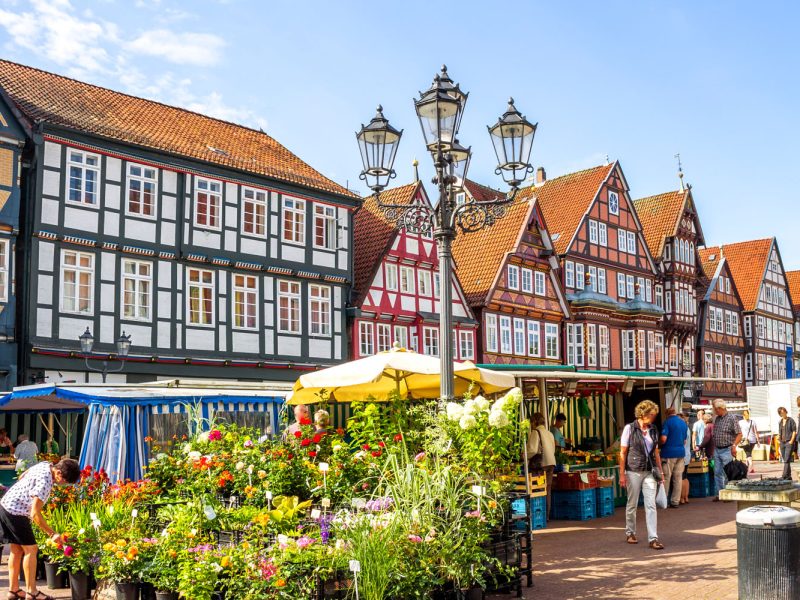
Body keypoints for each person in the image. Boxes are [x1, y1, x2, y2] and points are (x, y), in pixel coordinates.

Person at [0, 458, 81, 600]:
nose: (63, 485)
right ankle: (32, 592)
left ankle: (13, 591)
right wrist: (52, 534)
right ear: (59, 473)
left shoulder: (45, 464)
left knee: (16, 550)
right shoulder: (45, 483)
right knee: (31, 549)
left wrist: (24, 491)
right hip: (15, 512)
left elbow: (22, 476)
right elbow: (35, 514)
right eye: (65, 481)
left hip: (5, 505)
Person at [619, 400, 664, 550]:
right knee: (632, 503)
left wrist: (660, 471)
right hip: (633, 470)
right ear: (642, 414)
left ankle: (653, 538)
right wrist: (622, 474)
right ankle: (630, 532)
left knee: (650, 504)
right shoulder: (629, 429)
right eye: (651, 415)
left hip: (649, 470)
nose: (653, 418)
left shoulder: (653, 429)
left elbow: (656, 452)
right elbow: (623, 452)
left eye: (654, 416)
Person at [526, 412, 556, 519]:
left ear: (534, 422)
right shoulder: (549, 433)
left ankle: (538, 515)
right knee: (547, 489)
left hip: (540, 465)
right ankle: (546, 515)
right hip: (551, 463)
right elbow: (553, 449)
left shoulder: (535, 432)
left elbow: (533, 450)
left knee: (537, 489)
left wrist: (524, 456)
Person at [711, 399, 742, 501]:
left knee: (728, 473)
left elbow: (739, 434)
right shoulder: (717, 419)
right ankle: (720, 493)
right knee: (717, 472)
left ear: (720, 408)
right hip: (717, 449)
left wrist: (734, 446)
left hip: (727, 448)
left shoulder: (732, 418)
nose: (714, 411)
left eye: (715, 409)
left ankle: (729, 494)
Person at [659, 407, 689, 508]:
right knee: (678, 478)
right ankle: (675, 501)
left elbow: (663, 438)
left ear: (666, 414)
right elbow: (685, 441)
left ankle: (664, 501)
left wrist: (659, 444)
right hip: (681, 453)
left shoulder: (667, 422)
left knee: (666, 477)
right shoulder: (683, 423)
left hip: (668, 453)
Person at [777, 406, 797, 481]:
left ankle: (784, 475)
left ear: (786, 412)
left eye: (784, 412)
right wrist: (778, 438)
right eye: (781, 413)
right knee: (786, 459)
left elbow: (794, 431)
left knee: (786, 459)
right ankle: (789, 476)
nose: (783, 414)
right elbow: (780, 432)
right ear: (780, 414)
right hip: (782, 442)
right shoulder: (780, 422)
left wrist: (791, 441)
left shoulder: (791, 420)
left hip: (789, 442)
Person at [738, 409, 760, 474]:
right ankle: (748, 467)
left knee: (748, 454)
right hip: (753, 440)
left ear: (743, 415)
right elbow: (756, 432)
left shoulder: (740, 422)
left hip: (745, 441)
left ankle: (751, 466)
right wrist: (758, 441)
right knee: (748, 453)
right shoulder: (753, 422)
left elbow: (739, 432)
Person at [679, 413, 691, 505]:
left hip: (682, 455)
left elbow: (682, 442)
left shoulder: (682, 429)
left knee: (681, 477)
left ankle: (682, 498)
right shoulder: (687, 428)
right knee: (685, 477)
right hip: (687, 454)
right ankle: (686, 497)